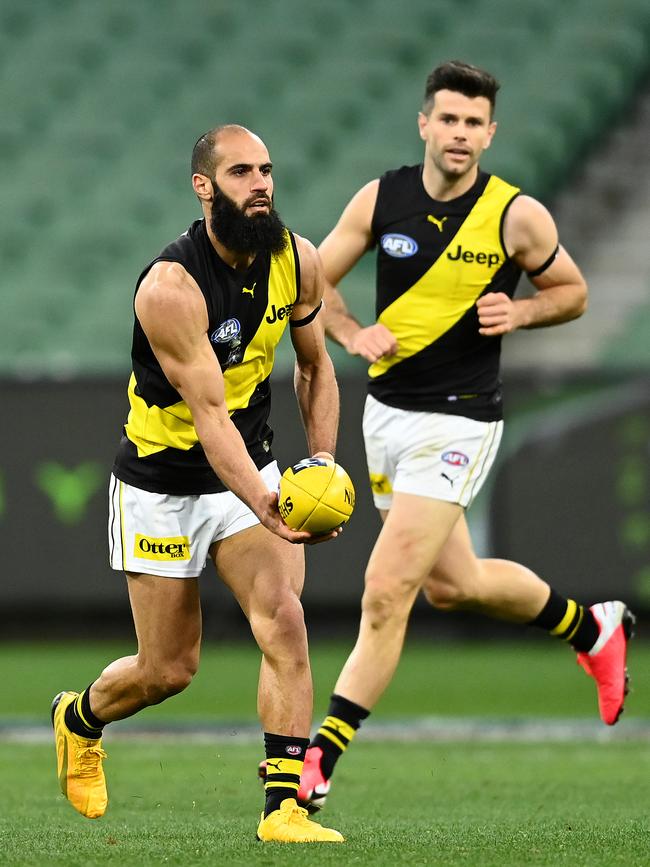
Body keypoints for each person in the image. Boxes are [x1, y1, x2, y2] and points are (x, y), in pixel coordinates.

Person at [260, 60, 635, 811]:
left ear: (490, 134)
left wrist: (522, 313)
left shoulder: (515, 216)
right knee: (452, 583)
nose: (461, 134)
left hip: (461, 418)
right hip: (388, 416)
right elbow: (310, 281)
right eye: (450, 119)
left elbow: (573, 292)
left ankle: (316, 763)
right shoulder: (383, 197)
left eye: (475, 123)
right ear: (424, 123)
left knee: (386, 589)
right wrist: (348, 329)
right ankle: (592, 626)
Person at [51, 125, 345, 843]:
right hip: (162, 483)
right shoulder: (170, 288)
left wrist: (323, 469)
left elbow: (314, 368)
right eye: (242, 171)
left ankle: (284, 809)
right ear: (204, 186)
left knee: (284, 619)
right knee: (167, 669)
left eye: (268, 170)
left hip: (249, 467)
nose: (261, 184)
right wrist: (268, 504)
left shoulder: (296, 259)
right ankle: (78, 718)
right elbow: (209, 417)